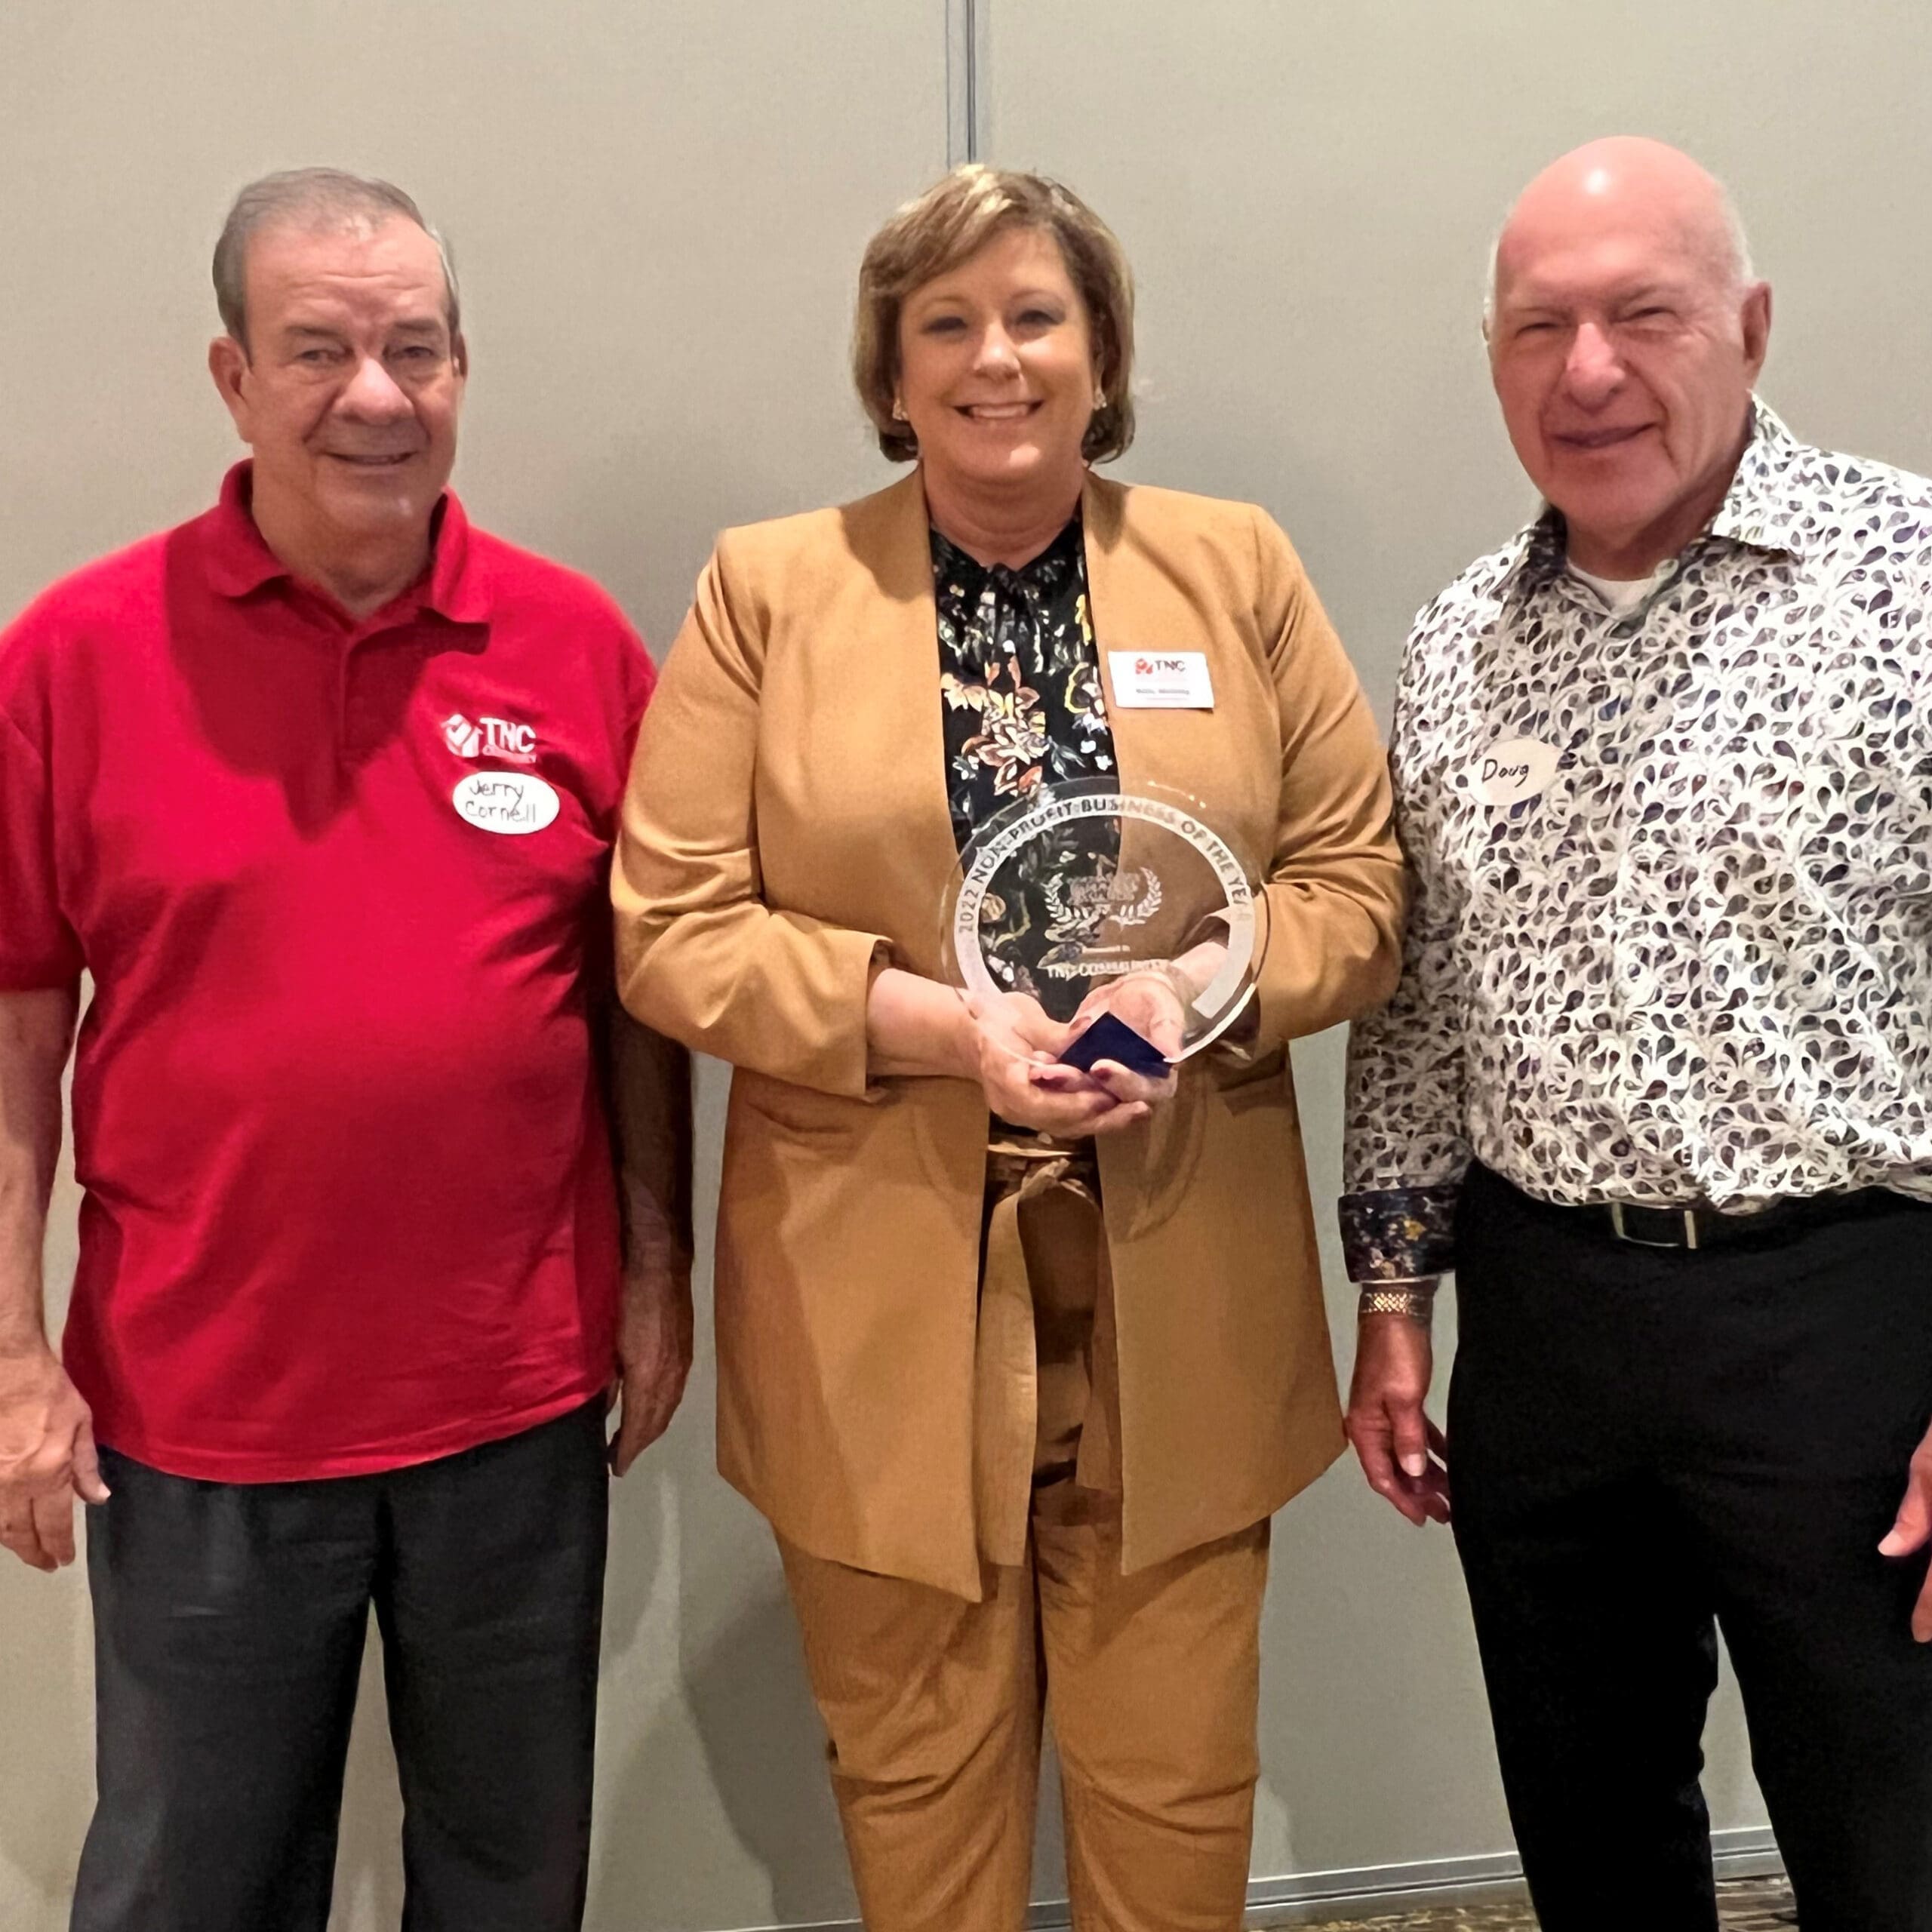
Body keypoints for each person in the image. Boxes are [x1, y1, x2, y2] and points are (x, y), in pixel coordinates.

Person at [614, 164, 1402, 1932]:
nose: (995, 359)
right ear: (889, 370)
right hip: (874, 1294)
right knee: (916, 1794)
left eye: (1036, 316)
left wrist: (1192, 990)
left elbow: (1355, 883)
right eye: (946, 324)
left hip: (1178, 1274)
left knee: (1174, 1793)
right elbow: (669, 924)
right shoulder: (766, 591)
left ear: (1099, 353)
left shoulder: (1234, 566)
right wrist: (934, 1025)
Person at [0, 168, 693, 1932]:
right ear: (232, 377)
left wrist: (655, 1268)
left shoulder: (577, 647)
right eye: (318, 350)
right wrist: (10, 1351)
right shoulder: (73, 656)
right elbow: (17, 1021)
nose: (374, 395)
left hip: (514, 1393)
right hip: (200, 1411)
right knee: (192, 1884)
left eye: (414, 348)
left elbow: (637, 999)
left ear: (461, 368)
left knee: (507, 1875)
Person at [1341, 136, 1932, 1932]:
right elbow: (1419, 999)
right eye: (1537, 328)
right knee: (1590, 1826)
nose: (1584, 370)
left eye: (1639, 315)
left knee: (1888, 1836)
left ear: (1747, 325)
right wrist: (1392, 1293)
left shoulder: (1908, 580)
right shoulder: (1457, 639)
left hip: (1844, 1311)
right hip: (1545, 1324)